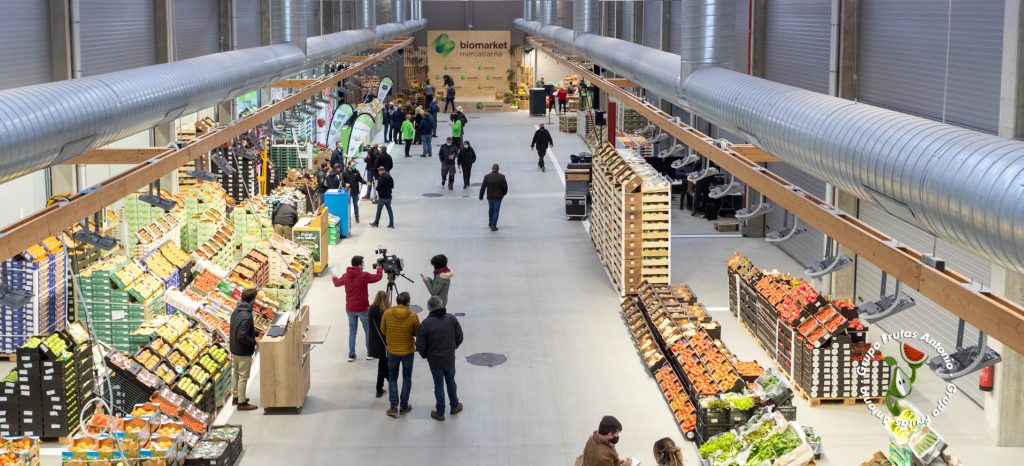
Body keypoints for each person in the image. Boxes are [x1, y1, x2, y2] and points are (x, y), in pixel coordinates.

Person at [416, 296, 464, 421]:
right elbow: (460, 337)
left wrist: (426, 355)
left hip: (434, 361)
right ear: (441, 304)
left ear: (429, 308)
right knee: (451, 381)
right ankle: (454, 406)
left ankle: (440, 412)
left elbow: (420, 345)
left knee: (438, 385)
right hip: (449, 358)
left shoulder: (425, 324)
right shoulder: (451, 319)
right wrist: (452, 348)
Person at [332, 256, 384, 361]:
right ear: (360, 265)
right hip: (363, 308)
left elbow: (337, 283)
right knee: (368, 330)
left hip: (350, 308)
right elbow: (377, 277)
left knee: (352, 331)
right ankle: (370, 353)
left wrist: (334, 276)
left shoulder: (346, 275)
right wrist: (379, 268)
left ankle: (351, 354)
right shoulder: (363, 275)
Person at [381, 291, 420, 417]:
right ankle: (404, 405)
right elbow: (417, 333)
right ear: (408, 302)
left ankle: (393, 406)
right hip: (408, 351)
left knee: (392, 378)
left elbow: (383, 329)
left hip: (392, 351)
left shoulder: (387, 313)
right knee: (407, 377)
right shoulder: (413, 316)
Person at [230, 288, 259, 411]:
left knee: (235, 374)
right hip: (243, 351)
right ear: (252, 300)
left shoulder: (236, 310)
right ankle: (241, 403)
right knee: (243, 376)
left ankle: (235, 397)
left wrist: (256, 333)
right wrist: (255, 342)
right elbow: (242, 336)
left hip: (234, 349)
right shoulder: (247, 315)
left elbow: (241, 328)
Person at [367, 291, 391, 398]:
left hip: (374, 342)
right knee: (384, 366)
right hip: (384, 342)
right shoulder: (386, 312)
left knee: (382, 364)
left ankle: (379, 389)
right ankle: (390, 381)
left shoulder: (371, 310)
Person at [479, 164, 508, 231]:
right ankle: (493, 225)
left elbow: (483, 187)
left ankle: (490, 223)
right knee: (496, 211)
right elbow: (505, 187)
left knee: (491, 210)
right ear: (498, 169)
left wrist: (481, 196)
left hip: (490, 197)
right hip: (498, 197)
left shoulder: (487, 177)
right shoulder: (502, 177)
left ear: (492, 168)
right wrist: (503, 194)